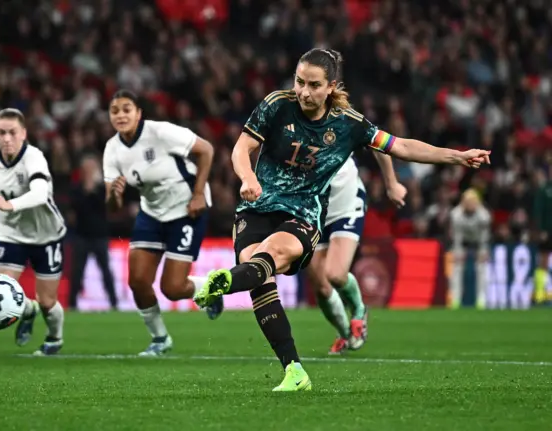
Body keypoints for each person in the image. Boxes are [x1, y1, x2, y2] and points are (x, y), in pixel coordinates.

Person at [193, 48, 490, 391]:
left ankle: (220, 285)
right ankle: (294, 371)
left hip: (302, 214)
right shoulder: (277, 104)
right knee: (259, 278)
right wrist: (247, 178)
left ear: (331, 86)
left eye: (314, 85)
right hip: (256, 208)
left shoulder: (349, 124)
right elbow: (240, 148)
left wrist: (457, 157)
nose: (304, 91)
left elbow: (401, 147)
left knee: (270, 257)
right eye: (299, 82)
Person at [103, 89, 216, 356]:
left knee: (173, 289)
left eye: (126, 109)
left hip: (186, 209)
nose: (121, 115)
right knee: (138, 281)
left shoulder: (161, 132)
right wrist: (114, 195)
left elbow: (207, 150)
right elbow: (112, 206)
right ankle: (160, 339)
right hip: (152, 212)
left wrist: (199, 194)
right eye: (115, 111)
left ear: (139, 113)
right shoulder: (112, 149)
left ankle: (211, 288)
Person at [0, 108, 67, 356]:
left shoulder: (34, 158)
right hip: (10, 233)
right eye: (1, 133)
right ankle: (27, 310)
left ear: (24, 134)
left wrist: (12, 204)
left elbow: (41, 194)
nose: (7, 138)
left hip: (46, 235)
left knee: (48, 302)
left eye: (12, 133)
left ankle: (54, 338)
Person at [306, 152, 406, 355]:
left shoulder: (344, 120)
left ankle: (359, 309)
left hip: (346, 204)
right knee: (321, 287)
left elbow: (379, 144)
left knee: (335, 274)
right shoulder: (290, 125)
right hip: (313, 209)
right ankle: (344, 334)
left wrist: (391, 184)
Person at [68, 154, 118, 311]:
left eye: (91, 168)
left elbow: (107, 208)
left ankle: (114, 303)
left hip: (100, 236)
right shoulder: (76, 190)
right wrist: (86, 192)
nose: (89, 172)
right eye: (86, 169)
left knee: (106, 271)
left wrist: (93, 191)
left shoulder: (104, 189)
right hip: (81, 236)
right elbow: (74, 211)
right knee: (77, 272)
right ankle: (72, 305)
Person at [449, 189, 492, 309]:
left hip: (478, 242)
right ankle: (455, 300)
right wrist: (457, 251)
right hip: (462, 243)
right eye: (467, 202)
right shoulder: (456, 214)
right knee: (456, 269)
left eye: (472, 202)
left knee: (481, 269)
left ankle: (481, 299)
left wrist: (483, 251)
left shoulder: (484, 215)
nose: (470, 204)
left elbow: (485, 235)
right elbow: (456, 235)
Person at [533, 169, 552, 305]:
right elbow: (538, 211)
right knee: (543, 260)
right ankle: (540, 292)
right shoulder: (544, 189)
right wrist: (541, 230)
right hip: (548, 231)